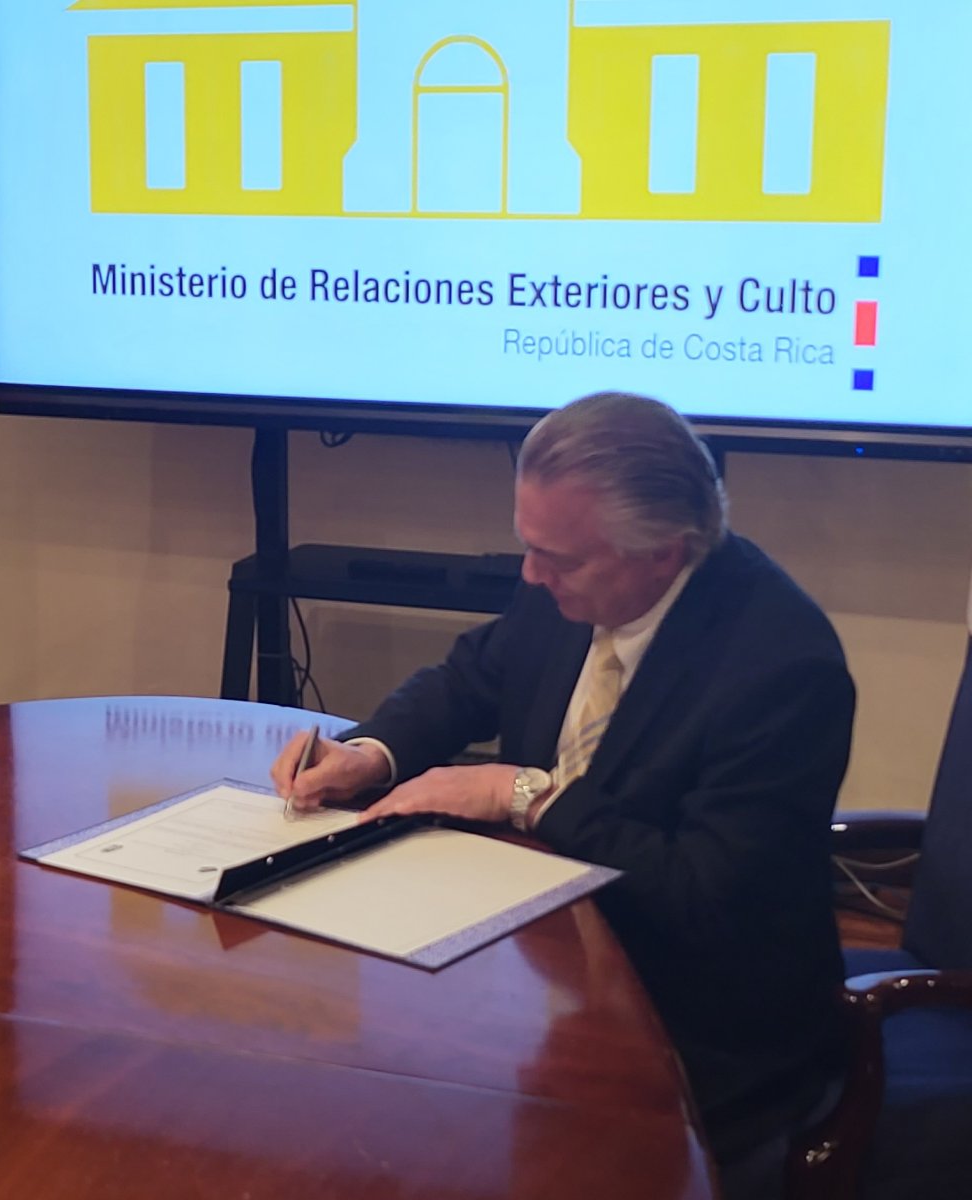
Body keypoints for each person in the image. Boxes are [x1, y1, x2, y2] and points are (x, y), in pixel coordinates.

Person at [272, 392, 852, 1200]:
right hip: (547, 964)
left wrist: (523, 796)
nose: (531, 575)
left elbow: (705, 895)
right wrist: (367, 754)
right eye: (529, 547)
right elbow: (471, 678)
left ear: (664, 553)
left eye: (558, 560)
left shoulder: (782, 670)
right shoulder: (571, 577)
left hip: (697, 1027)